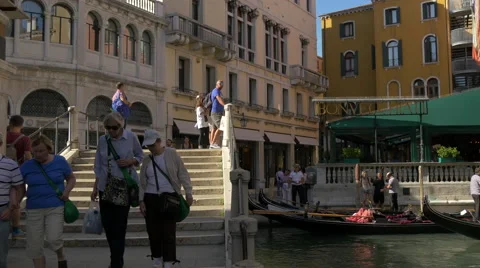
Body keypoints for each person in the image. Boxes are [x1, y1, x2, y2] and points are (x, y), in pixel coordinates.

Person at [91, 112, 144, 268]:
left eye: (114, 128)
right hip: (105, 187)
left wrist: (130, 161)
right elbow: (98, 165)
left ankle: (116, 262)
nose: (111, 131)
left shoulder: (131, 138)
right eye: (108, 128)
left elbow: (140, 156)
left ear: (121, 126)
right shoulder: (103, 140)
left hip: (124, 186)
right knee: (107, 225)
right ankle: (115, 257)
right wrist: (95, 187)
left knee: (119, 225)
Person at [139, 129, 194, 268]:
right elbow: (142, 181)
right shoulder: (146, 159)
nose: (150, 148)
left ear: (159, 142)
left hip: (170, 197)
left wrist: (188, 192)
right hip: (150, 198)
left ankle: (169, 261)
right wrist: (141, 201)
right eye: (148, 146)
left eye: (152, 145)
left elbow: (182, 173)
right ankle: (157, 259)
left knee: (169, 231)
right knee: (153, 231)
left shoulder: (171, 153)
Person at [20, 135, 76, 268]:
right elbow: (19, 186)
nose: (37, 155)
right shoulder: (27, 166)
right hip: (33, 207)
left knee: (53, 238)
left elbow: (71, 178)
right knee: (34, 244)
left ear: (49, 149)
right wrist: (16, 202)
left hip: (55, 206)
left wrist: (66, 192)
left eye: (41, 151)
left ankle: (60, 255)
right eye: (35, 152)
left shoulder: (60, 161)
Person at [0, 132, 25, 268]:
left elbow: (19, 188)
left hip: (2, 211)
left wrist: (11, 209)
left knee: (1, 251)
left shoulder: (10, 165)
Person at [6, 115, 31, 239]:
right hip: (17, 172)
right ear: (21, 125)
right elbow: (27, 155)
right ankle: (15, 228)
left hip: (2, 171)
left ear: (10, 123)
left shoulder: (3, 136)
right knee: (15, 200)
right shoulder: (24, 139)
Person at [210, 80, 225, 149]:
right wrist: (224, 105)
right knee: (221, 127)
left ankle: (211, 143)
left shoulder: (219, 92)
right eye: (220, 84)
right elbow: (218, 98)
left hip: (217, 112)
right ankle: (213, 143)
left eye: (222, 84)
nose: (222, 85)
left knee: (214, 128)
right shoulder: (215, 90)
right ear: (217, 84)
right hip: (216, 112)